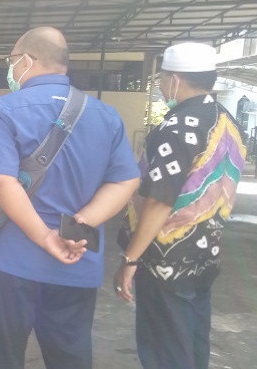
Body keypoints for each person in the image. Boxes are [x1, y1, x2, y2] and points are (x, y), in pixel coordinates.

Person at [0, 26, 141, 369]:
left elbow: (1, 182)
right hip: (76, 261)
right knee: (70, 357)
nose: (11, 69)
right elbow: (127, 180)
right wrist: (80, 223)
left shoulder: (6, 109)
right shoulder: (106, 116)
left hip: (9, 262)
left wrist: (46, 237)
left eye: (11, 61)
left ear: (27, 61)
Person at [114, 42, 246, 369]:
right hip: (204, 256)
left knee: (165, 349)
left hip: (166, 261)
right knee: (192, 339)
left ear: (175, 79)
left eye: (161, 78)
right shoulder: (226, 121)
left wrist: (131, 258)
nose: (160, 85)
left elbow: (160, 200)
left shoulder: (178, 127)